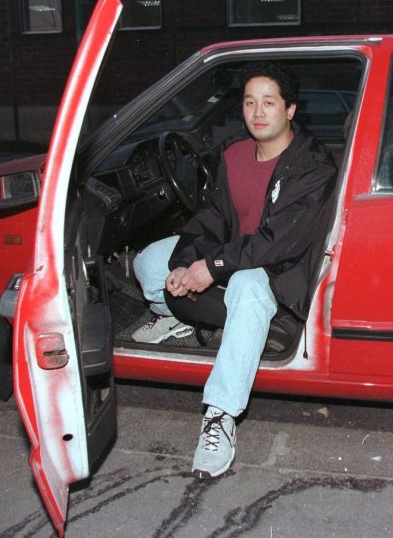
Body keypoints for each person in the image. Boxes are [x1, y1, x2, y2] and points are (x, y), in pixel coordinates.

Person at [131, 62, 338, 479]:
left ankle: (220, 416)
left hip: (280, 269)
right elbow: (210, 216)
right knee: (149, 262)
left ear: (290, 109)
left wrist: (213, 266)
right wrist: (183, 264)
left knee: (245, 284)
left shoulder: (313, 165)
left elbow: (279, 242)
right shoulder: (234, 154)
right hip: (231, 253)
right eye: (249, 102)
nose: (258, 112)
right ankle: (174, 316)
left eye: (269, 102)